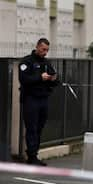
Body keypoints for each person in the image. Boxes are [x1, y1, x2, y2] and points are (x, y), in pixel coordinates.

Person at [19, 38, 59, 166]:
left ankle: (34, 154)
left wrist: (53, 78)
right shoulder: (27, 61)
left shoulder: (47, 63)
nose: (45, 52)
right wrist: (40, 77)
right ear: (37, 47)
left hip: (43, 99)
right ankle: (31, 157)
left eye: (47, 50)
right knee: (32, 128)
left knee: (39, 128)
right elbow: (24, 79)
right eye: (43, 49)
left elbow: (55, 79)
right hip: (30, 99)